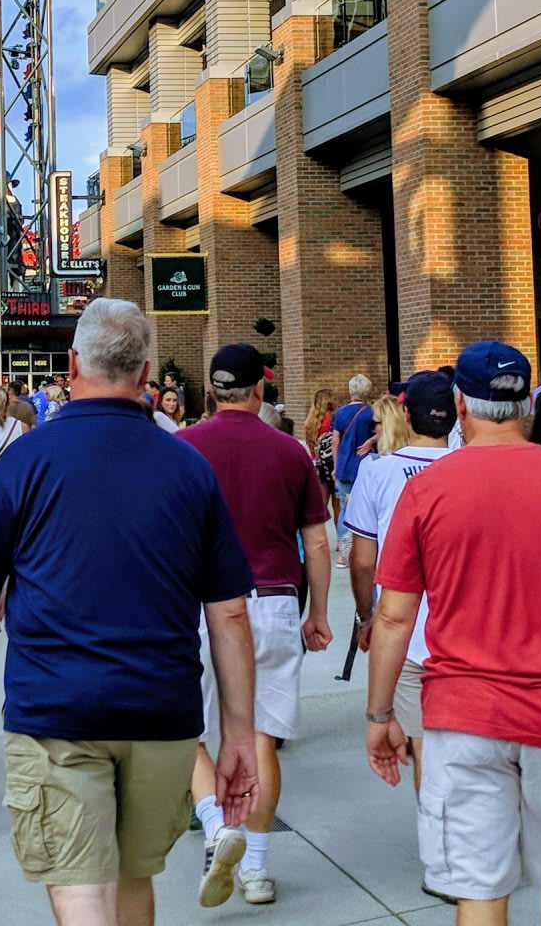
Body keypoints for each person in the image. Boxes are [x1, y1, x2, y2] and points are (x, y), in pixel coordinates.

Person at [0, 299, 260, 926]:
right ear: (146, 376)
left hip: (59, 711)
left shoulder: (26, 461)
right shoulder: (188, 466)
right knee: (134, 876)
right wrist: (239, 733)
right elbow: (229, 616)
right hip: (161, 713)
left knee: (82, 885)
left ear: (71, 365)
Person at [364, 341, 541, 924]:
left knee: (480, 889)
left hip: (464, 715)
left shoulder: (425, 491)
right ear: (525, 407)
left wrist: (378, 716)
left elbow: (393, 616)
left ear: (460, 406)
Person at [179, 341, 332, 907]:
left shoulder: (184, 448)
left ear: (213, 388)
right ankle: (258, 871)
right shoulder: (289, 450)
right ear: (260, 389)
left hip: (196, 606)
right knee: (262, 736)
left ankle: (217, 825)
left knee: (186, 729)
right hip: (271, 601)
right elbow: (316, 541)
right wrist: (317, 611)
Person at [343, 375, 452, 784]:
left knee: (424, 745)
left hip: (409, 634)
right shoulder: (472, 467)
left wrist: (365, 615)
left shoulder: (378, 471)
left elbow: (362, 560)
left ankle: (438, 838)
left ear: (405, 415)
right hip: (465, 630)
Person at [327, 374, 379, 559]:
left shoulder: (340, 413)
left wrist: (335, 465)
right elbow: (383, 431)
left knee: (344, 509)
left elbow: (335, 441)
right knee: (365, 509)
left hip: (344, 466)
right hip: (364, 467)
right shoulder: (371, 412)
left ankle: (344, 552)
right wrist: (371, 441)